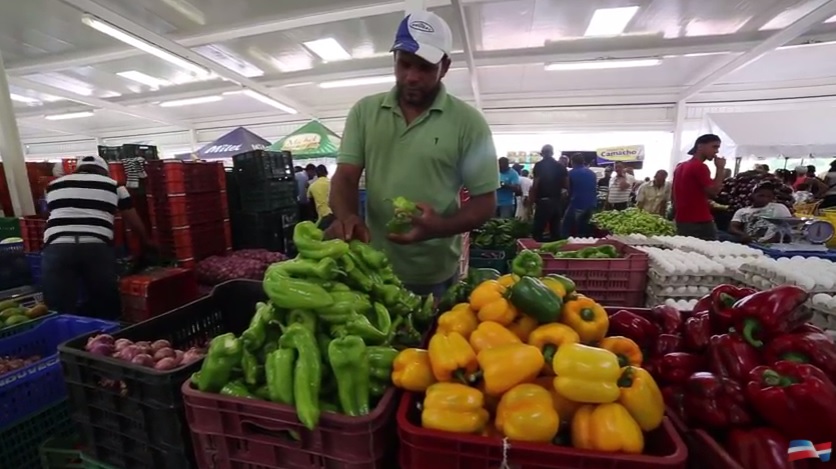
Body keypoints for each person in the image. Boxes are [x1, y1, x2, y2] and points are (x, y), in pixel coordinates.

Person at [326, 10, 498, 298]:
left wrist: (439, 227)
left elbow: (485, 202)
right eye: (404, 64)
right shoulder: (364, 112)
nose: (412, 77)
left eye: (425, 67)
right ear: (394, 60)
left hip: (434, 274)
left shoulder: (470, 123)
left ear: (444, 67)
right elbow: (344, 177)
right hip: (372, 268)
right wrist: (347, 215)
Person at [41, 155, 152, 319]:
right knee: (105, 302)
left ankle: (64, 338)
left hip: (57, 247)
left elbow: (50, 212)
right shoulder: (115, 186)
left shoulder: (53, 186)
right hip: (96, 247)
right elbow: (133, 220)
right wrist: (146, 241)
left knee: (59, 306)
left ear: (77, 169)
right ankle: (108, 335)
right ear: (103, 170)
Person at [672, 134, 726, 240]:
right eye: (714, 147)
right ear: (700, 146)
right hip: (699, 220)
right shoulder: (700, 167)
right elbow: (714, 192)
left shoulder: (680, 166)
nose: (717, 151)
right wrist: (720, 169)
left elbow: (673, 196)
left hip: (682, 219)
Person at [728, 182, 792, 244]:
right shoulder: (742, 211)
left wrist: (776, 238)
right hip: (751, 243)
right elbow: (732, 227)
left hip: (772, 244)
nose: (765, 199)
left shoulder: (779, 207)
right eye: (761, 196)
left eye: (769, 196)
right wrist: (742, 234)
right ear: (753, 195)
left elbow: (788, 226)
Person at [531, 144, 569, 241]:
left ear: (542, 153)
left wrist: (531, 200)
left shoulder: (539, 165)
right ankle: (555, 252)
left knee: (538, 231)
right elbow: (566, 185)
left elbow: (535, 184)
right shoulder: (560, 166)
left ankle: (537, 252)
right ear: (552, 153)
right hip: (556, 201)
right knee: (555, 231)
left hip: (543, 201)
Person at [562, 153, 597, 238]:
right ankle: (584, 243)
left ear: (572, 162)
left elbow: (568, 189)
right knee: (584, 227)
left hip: (577, 203)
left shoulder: (571, 173)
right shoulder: (592, 173)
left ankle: (566, 245)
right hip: (591, 204)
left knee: (565, 227)